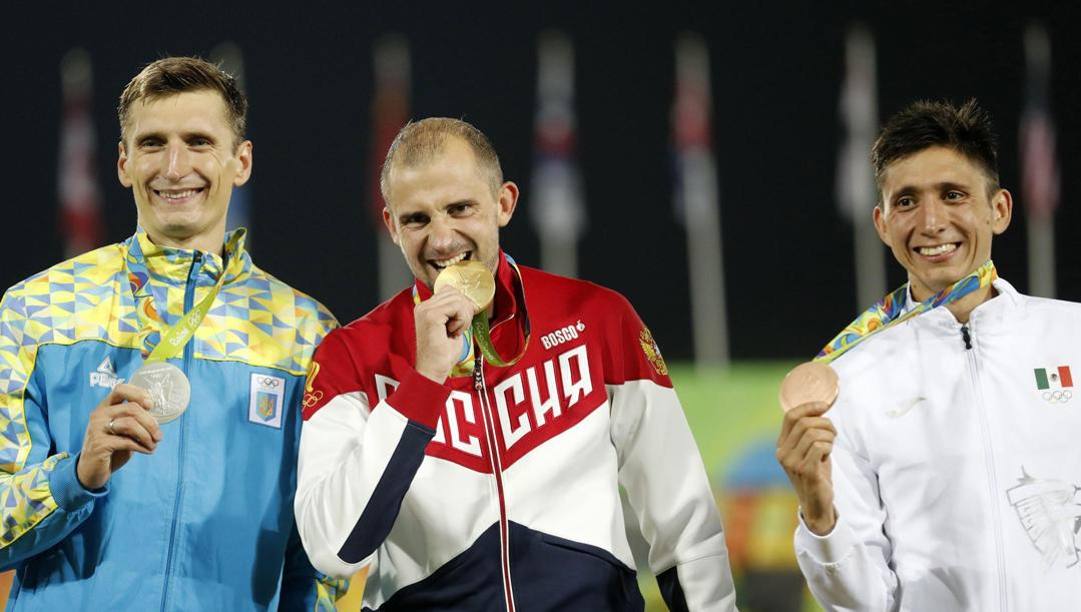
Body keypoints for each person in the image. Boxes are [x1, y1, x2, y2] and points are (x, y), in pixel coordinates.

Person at [294, 117, 737, 610]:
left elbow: (685, 520)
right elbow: (332, 548)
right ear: (391, 225)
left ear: (503, 203)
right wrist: (422, 383)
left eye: (460, 208)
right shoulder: (349, 355)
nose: (442, 240)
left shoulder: (597, 318)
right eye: (417, 219)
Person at [0, 56, 343, 609]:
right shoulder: (38, 310)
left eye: (200, 142)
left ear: (241, 161)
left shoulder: (304, 332)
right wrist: (75, 477)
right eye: (153, 143)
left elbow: (319, 556)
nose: (175, 166)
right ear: (123, 162)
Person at [777, 99, 1081, 610]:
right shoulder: (848, 384)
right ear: (881, 223)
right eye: (906, 202)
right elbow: (862, 602)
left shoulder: (1072, 334)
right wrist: (819, 516)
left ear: (999, 209)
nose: (932, 221)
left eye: (954, 195)